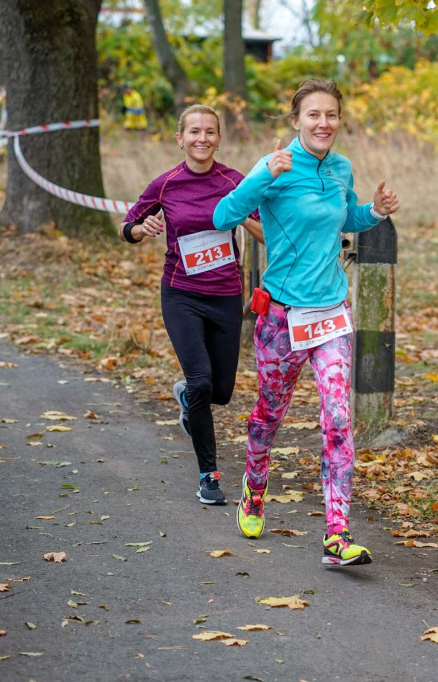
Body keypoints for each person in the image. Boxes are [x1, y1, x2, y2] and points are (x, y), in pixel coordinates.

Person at [212, 78, 399, 567]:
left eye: (331, 114)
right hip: (281, 317)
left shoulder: (341, 168)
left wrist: (374, 212)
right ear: (296, 120)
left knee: (338, 418)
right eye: (313, 114)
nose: (323, 123)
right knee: (269, 415)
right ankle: (254, 487)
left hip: (331, 313)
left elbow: (345, 218)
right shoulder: (275, 166)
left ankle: (337, 534)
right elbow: (223, 215)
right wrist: (262, 176)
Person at [119, 104, 262, 506]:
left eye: (210, 131)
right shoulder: (166, 184)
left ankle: (188, 398)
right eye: (194, 132)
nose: (202, 138)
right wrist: (141, 228)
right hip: (180, 293)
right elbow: (126, 227)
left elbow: (266, 233)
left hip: (225, 295)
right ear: (180, 139)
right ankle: (208, 475)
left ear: (219, 139)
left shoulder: (235, 181)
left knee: (221, 391)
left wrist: (241, 214)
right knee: (201, 381)